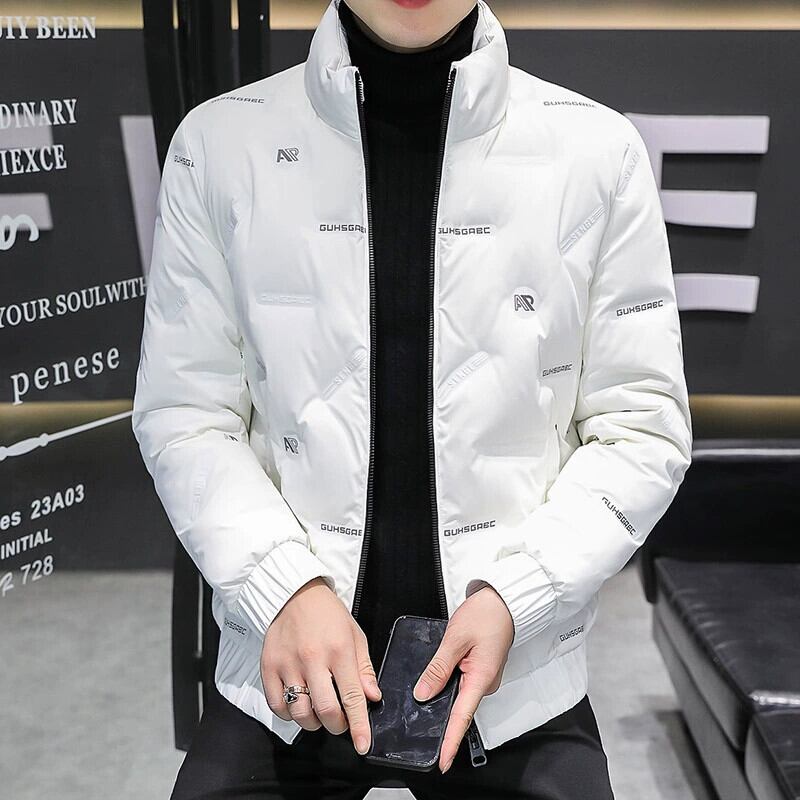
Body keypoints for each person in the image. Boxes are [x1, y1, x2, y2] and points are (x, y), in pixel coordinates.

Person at [132, 0, 693, 797]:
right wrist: (284, 589)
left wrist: (516, 597)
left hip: (511, 680)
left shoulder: (597, 150)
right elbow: (187, 414)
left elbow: (641, 428)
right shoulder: (221, 144)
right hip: (285, 668)